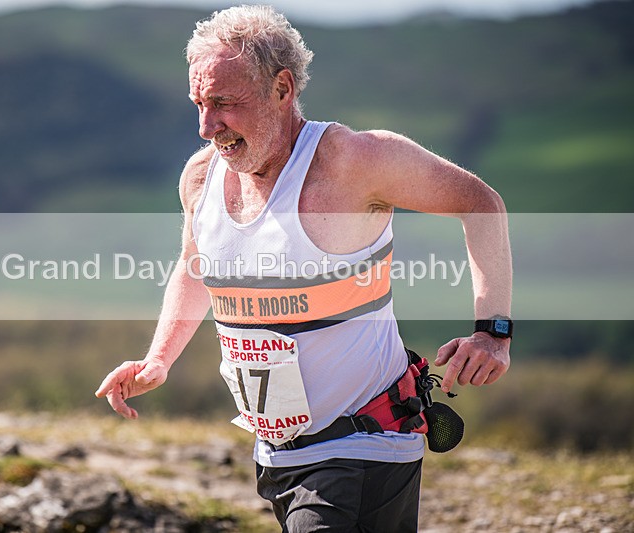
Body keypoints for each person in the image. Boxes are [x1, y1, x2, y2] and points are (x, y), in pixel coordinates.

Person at [96, 5, 512, 531]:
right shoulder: (201, 177)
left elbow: (481, 204)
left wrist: (492, 332)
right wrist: (158, 360)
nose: (207, 127)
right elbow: (195, 267)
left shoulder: (354, 162)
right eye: (199, 104)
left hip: (365, 447)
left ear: (282, 88)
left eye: (224, 103)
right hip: (278, 456)